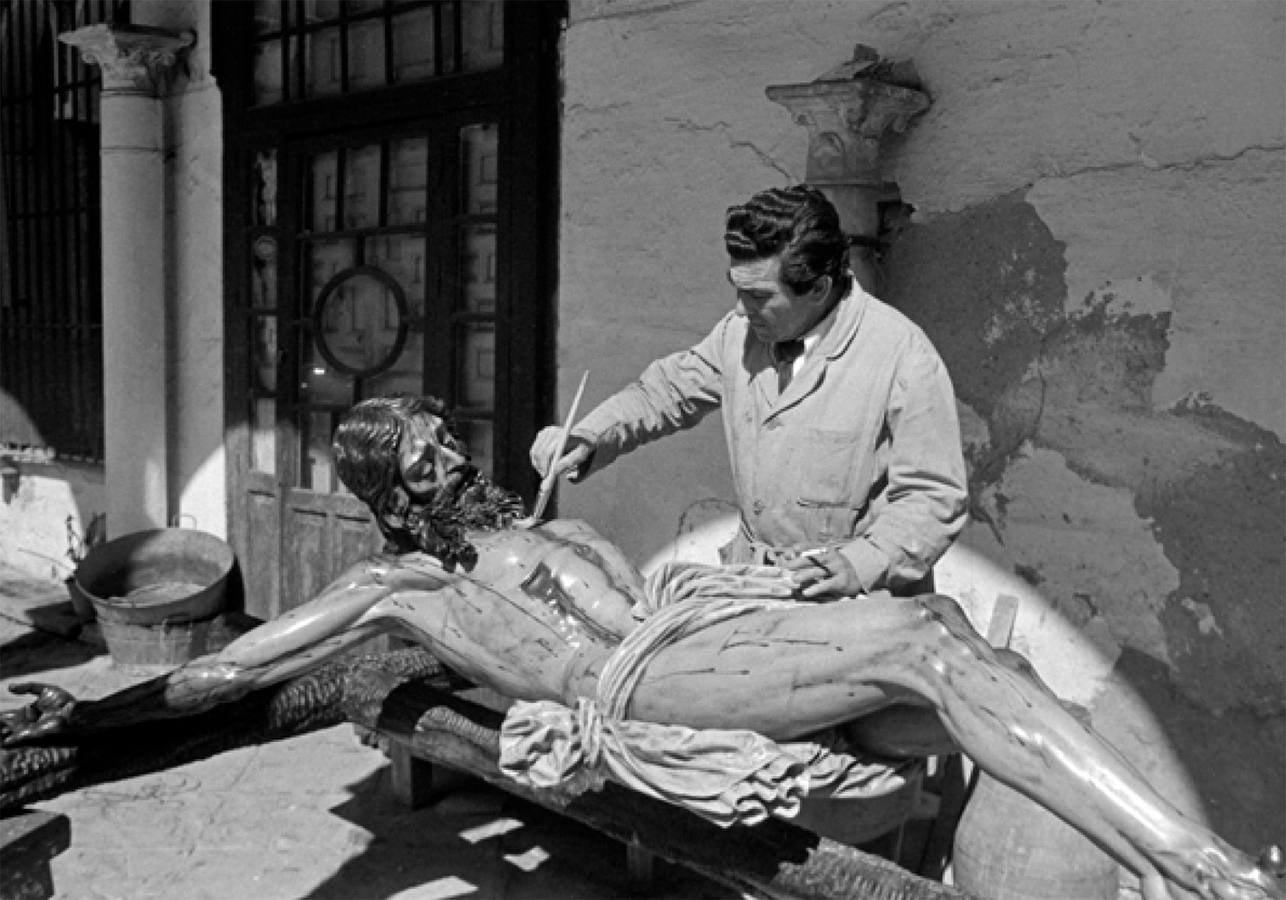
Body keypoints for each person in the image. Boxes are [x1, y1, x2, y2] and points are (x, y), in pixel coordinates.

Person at [3, 396, 1281, 900]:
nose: (455, 461)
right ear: (393, 496)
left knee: (944, 625)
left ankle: (1143, 865)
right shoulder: (399, 584)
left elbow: (639, 583)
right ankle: (1215, 873)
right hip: (639, 683)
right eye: (426, 461)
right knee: (923, 653)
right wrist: (80, 722)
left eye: (451, 440)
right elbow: (229, 669)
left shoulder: (532, 525)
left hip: (689, 630)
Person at [531, 184, 967, 600]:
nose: (741, 308)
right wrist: (587, 438)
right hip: (752, 589)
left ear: (819, 289)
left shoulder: (902, 356)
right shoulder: (738, 334)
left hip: (857, 607)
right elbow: (662, 393)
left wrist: (861, 563)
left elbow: (933, 497)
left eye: (758, 295)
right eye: (736, 290)